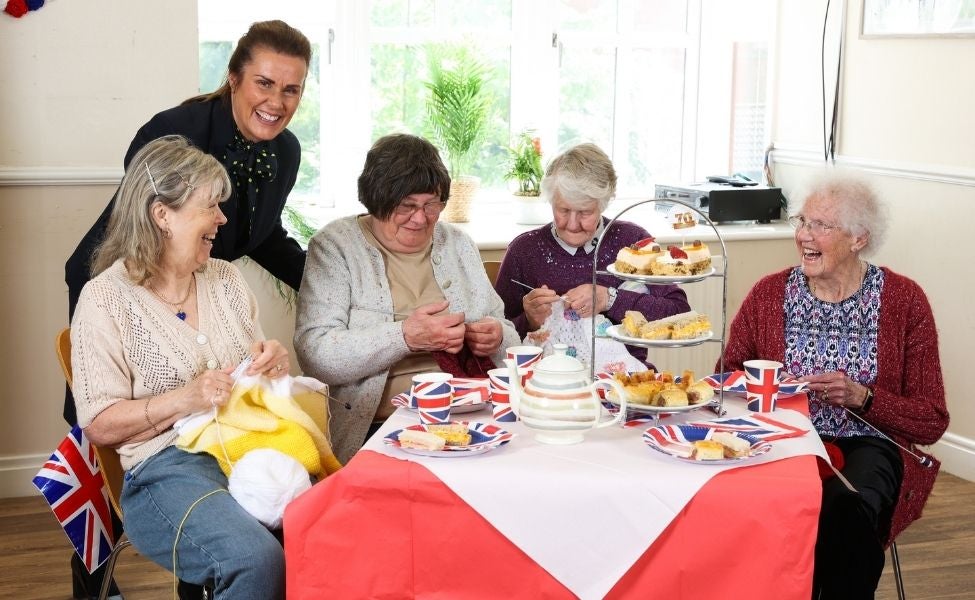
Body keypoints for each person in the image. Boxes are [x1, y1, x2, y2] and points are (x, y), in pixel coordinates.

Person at [62, 21, 311, 596]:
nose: (277, 102)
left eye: (292, 90)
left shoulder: (284, 157)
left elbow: (261, 234)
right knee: (104, 447)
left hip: (231, 426)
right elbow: (122, 241)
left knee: (328, 524)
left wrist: (321, 288)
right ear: (233, 78)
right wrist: (114, 343)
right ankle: (95, 579)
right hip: (134, 330)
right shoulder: (174, 135)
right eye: (264, 83)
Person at [719, 174, 949, 598]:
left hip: (868, 443)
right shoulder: (769, 295)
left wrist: (864, 397)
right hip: (780, 439)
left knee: (843, 510)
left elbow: (932, 420)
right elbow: (726, 379)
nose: (804, 235)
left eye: (821, 225)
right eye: (803, 221)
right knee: (755, 507)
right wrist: (761, 389)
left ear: (859, 238)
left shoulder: (903, 300)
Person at [294, 134, 520, 463]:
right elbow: (317, 355)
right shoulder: (336, 246)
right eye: (406, 206)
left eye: (432, 204)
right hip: (383, 428)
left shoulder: (458, 244)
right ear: (376, 200)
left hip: (472, 418)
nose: (421, 218)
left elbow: (509, 337)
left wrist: (495, 336)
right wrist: (405, 337)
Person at [493, 143, 690, 364]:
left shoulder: (632, 243)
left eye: (585, 212)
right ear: (550, 201)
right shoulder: (524, 251)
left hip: (624, 385)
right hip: (547, 383)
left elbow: (679, 314)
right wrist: (529, 321)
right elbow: (496, 340)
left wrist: (610, 299)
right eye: (563, 210)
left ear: (603, 204)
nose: (573, 224)